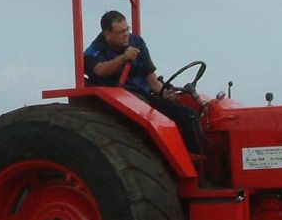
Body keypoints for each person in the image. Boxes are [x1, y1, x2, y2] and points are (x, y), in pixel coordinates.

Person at [84, 10, 203, 154]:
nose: (126, 34)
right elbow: (100, 70)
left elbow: (151, 79)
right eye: (120, 32)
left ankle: (198, 156)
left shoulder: (137, 42)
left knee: (188, 114)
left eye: (127, 29)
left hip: (143, 96)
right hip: (119, 101)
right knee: (159, 125)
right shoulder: (93, 51)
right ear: (107, 34)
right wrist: (123, 58)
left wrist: (164, 93)